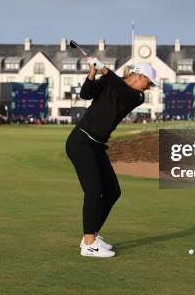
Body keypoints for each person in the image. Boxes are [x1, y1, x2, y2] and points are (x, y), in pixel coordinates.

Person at [65, 58, 158, 258]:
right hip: (81, 142)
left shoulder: (137, 96)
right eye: (149, 82)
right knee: (94, 190)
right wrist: (92, 72)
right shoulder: (110, 81)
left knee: (113, 191)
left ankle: (92, 235)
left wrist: (105, 69)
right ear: (139, 76)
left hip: (96, 146)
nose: (149, 88)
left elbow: (121, 89)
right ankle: (89, 244)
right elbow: (85, 94)